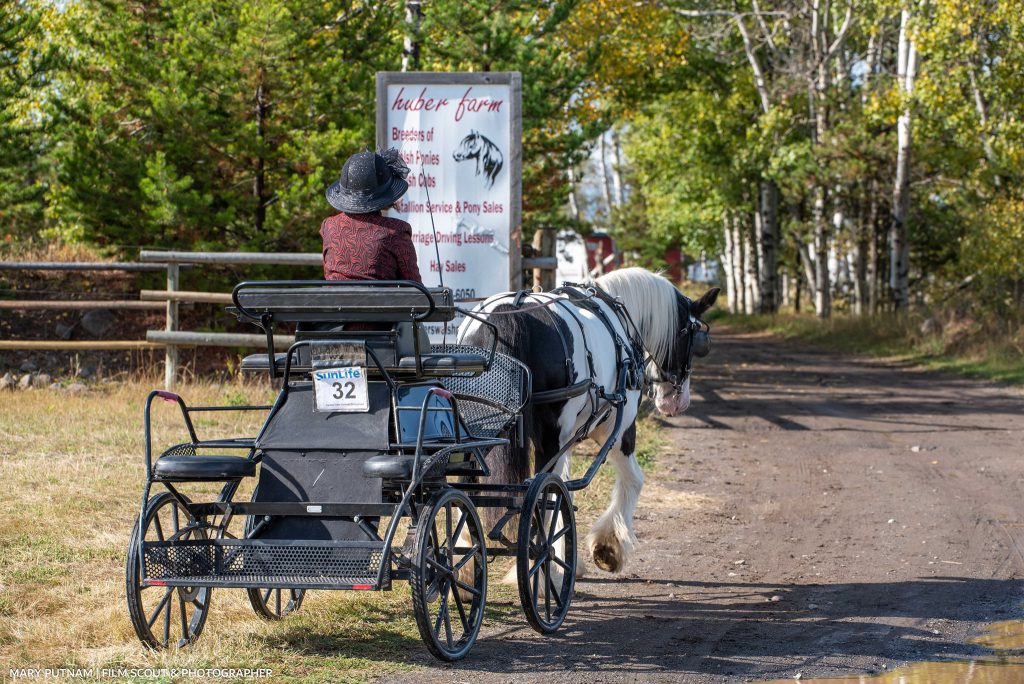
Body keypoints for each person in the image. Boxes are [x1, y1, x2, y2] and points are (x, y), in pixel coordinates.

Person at [321, 148, 422, 283]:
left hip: (334, 303)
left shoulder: (329, 226)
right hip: (384, 304)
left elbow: (328, 274)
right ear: (386, 195)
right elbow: (415, 288)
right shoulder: (396, 231)